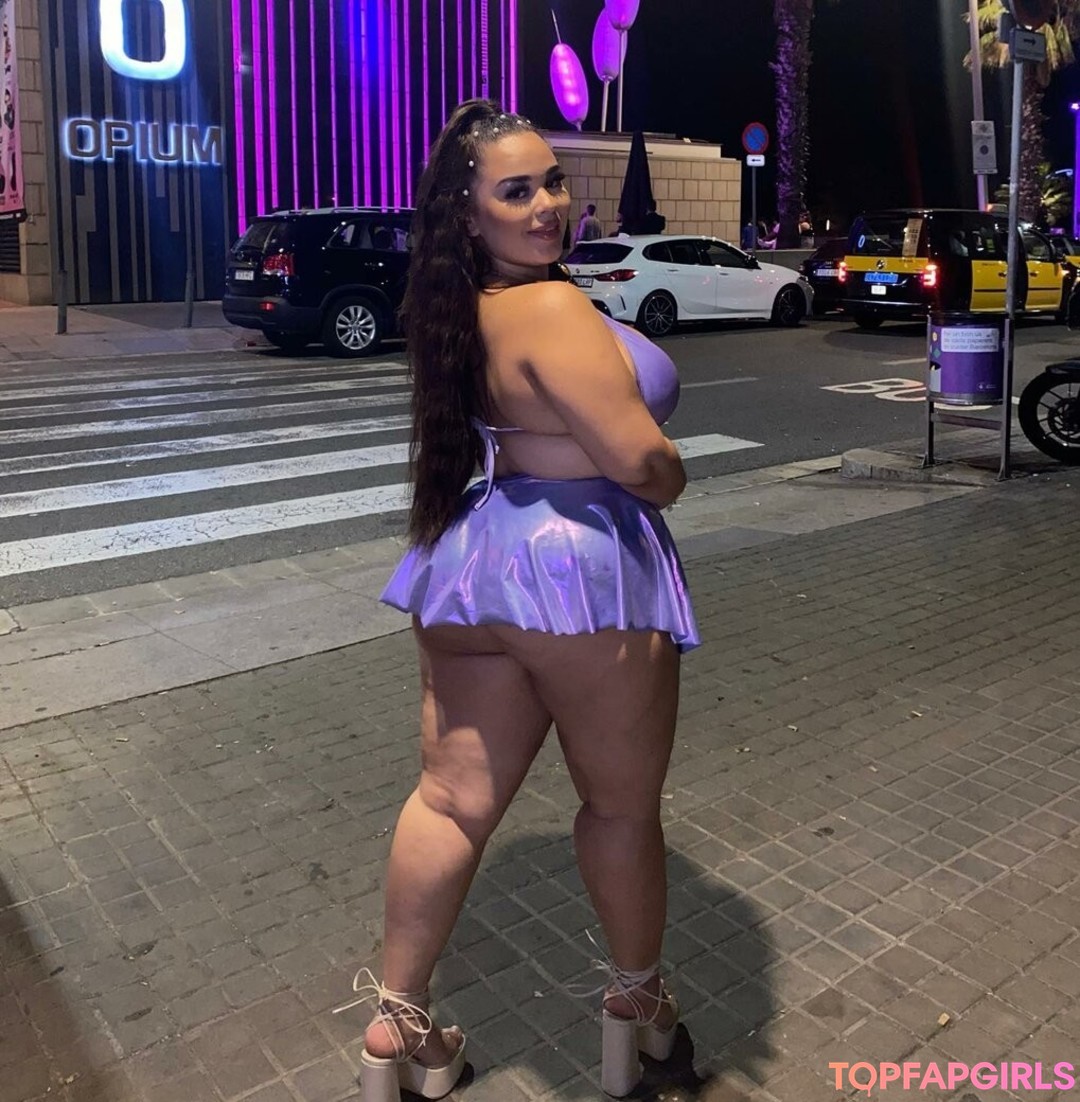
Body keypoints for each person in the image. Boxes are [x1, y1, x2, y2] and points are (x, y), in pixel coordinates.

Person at [344, 99, 699, 1102]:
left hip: (474, 560)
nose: (548, 204)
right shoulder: (549, 309)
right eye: (516, 191)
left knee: (449, 801)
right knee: (619, 807)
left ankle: (399, 1022)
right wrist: (670, 474)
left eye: (552, 181)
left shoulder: (458, 308)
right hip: (580, 570)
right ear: (469, 215)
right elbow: (637, 458)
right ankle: (639, 1007)